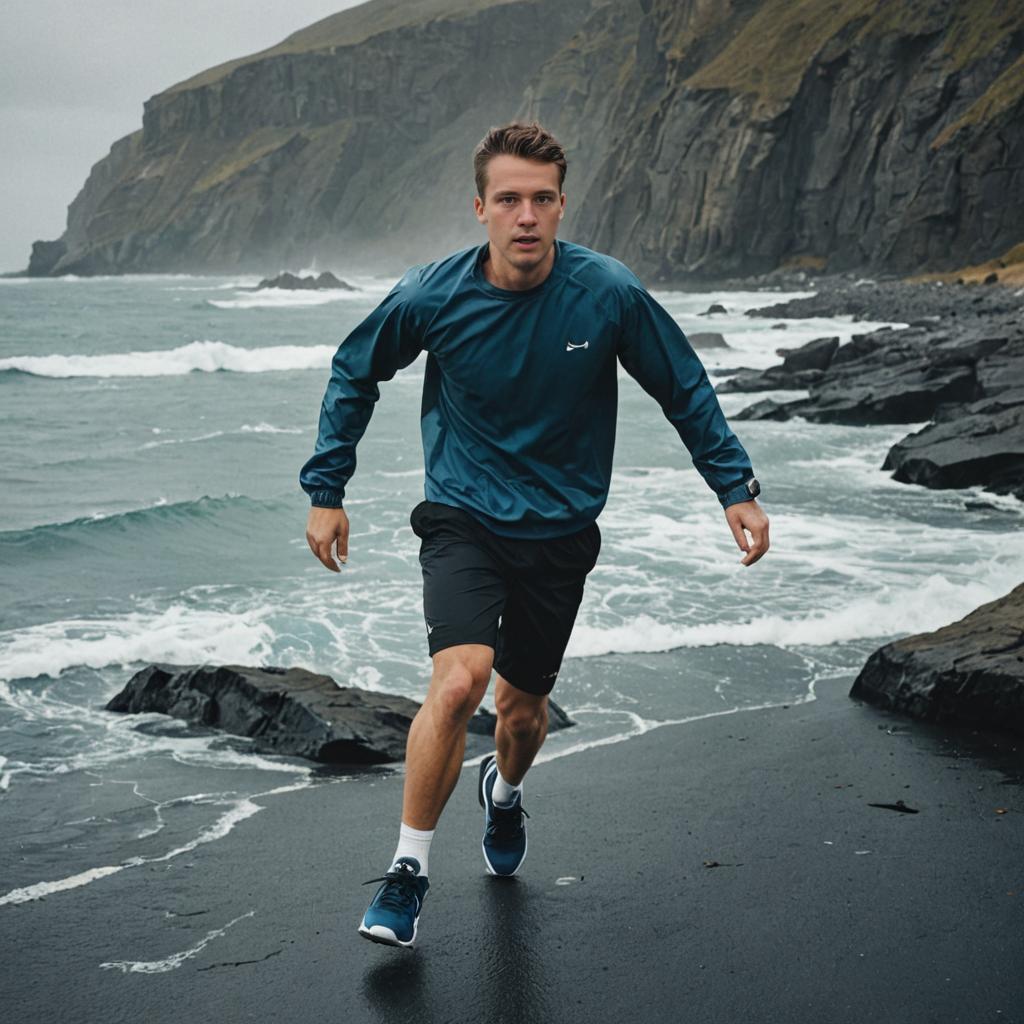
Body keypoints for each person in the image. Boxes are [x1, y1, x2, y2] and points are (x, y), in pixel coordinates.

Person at [299, 121, 769, 949]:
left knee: (522, 714)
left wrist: (734, 487)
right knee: (459, 681)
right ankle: (408, 872)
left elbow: (683, 387)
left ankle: (504, 794)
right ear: (480, 208)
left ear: (562, 206)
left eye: (541, 199)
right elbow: (355, 368)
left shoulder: (608, 294)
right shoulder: (432, 297)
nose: (525, 216)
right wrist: (327, 488)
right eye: (508, 199)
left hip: (559, 530)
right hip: (462, 519)